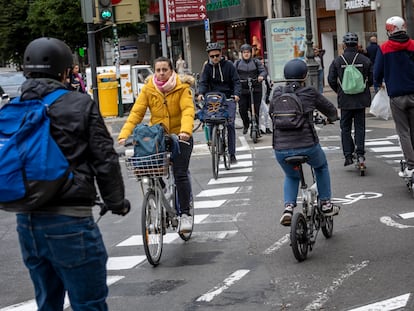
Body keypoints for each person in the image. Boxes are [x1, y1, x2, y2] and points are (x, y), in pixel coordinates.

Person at [13, 37, 130, 310]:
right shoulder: (80, 104)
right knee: (88, 302)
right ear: (65, 72)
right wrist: (116, 202)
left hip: (26, 222)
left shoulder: (15, 108)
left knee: (48, 302)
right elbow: (105, 159)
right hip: (69, 221)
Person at [118, 56, 195, 233]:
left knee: (180, 173)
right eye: (158, 70)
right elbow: (136, 113)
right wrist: (124, 134)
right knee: (150, 169)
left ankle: (185, 215)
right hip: (158, 138)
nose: (161, 73)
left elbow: (187, 110)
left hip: (180, 137)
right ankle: (161, 194)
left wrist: (185, 132)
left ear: (171, 71)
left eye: (164, 70)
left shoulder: (182, 88)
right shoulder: (149, 89)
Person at [270, 58, 340, 226]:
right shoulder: (309, 92)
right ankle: (325, 203)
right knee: (321, 167)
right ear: (305, 75)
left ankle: (288, 208)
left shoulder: (277, 93)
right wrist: (331, 118)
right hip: (307, 146)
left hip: (280, 148)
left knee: (291, 175)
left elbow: (272, 111)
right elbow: (330, 110)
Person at [374, 16, 414, 178]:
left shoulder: (384, 48)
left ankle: (411, 165)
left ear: (390, 30)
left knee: (403, 131)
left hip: (396, 95)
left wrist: (378, 83)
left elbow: (377, 72)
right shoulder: (412, 45)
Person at [327, 32, 373, 167]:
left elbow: (331, 79)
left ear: (343, 45)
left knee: (345, 128)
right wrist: (363, 87)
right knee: (360, 127)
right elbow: (371, 78)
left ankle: (348, 155)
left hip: (345, 99)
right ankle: (360, 154)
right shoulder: (365, 60)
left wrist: (340, 90)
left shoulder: (338, 60)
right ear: (357, 44)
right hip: (361, 99)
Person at [197, 42, 241, 164]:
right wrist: (201, 93)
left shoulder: (229, 65)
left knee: (230, 124)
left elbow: (236, 81)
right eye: (212, 56)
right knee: (210, 122)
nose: (215, 58)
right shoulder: (207, 67)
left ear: (221, 54)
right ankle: (214, 143)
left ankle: (232, 154)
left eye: (217, 55)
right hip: (213, 99)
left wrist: (236, 94)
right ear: (209, 56)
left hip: (228, 98)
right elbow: (203, 82)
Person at [235, 44, 267, 135]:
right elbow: (232, 74)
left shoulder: (256, 62)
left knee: (256, 109)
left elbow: (263, 71)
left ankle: (256, 126)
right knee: (242, 109)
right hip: (243, 90)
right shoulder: (237, 63)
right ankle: (246, 124)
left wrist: (261, 76)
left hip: (255, 89)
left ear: (251, 53)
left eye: (248, 52)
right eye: (244, 52)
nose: (246, 54)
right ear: (241, 53)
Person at [257, 56, 272, 135]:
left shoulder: (265, 74)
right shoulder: (258, 75)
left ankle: (264, 128)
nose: (262, 64)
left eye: (263, 62)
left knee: (263, 113)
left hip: (263, 98)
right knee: (264, 112)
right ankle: (262, 128)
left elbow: (268, 86)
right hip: (259, 98)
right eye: (260, 63)